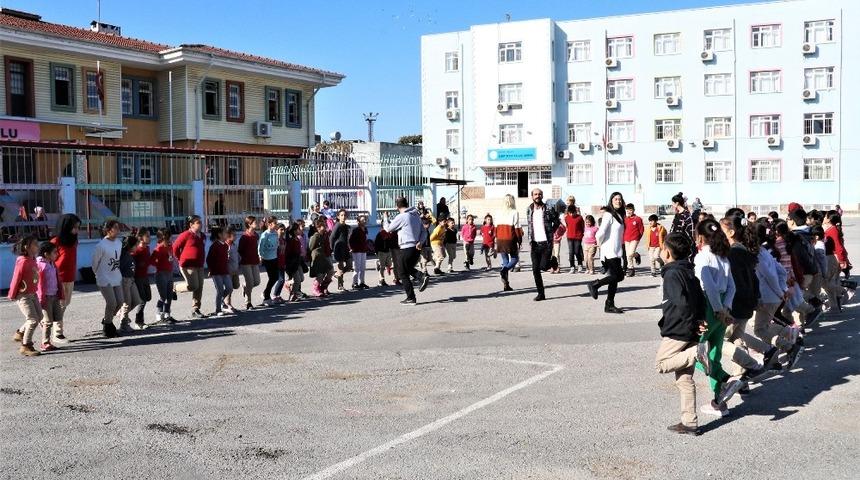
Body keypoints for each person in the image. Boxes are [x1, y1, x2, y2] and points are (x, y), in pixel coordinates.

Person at [654, 233, 706, 436]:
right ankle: (689, 421)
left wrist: (692, 322)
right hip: (690, 328)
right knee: (684, 379)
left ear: (667, 252)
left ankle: (696, 352)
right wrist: (700, 320)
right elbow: (700, 297)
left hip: (679, 329)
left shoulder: (672, 274)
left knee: (661, 364)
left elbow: (682, 303)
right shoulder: (688, 271)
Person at [693, 219, 741, 418]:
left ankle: (726, 379)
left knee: (695, 352)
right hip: (723, 306)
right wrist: (726, 308)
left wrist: (718, 309)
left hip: (708, 306)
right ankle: (719, 402)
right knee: (714, 353)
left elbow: (708, 285)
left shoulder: (702, 257)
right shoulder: (723, 257)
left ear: (701, 237)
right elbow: (732, 286)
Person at [382, 197, 430, 305]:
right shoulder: (416, 215)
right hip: (416, 247)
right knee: (406, 269)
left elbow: (388, 228)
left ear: (397, 207)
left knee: (402, 272)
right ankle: (420, 277)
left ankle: (411, 297)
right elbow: (424, 232)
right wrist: (421, 242)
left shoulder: (402, 216)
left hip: (406, 247)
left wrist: (385, 217)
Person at [588, 192, 626, 313]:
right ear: (611, 201)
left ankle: (609, 305)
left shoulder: (619, 215)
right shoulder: (608, 214)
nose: (618, 201)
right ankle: (595, 284)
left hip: (616, 251)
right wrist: (599, 244)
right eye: (616, 199)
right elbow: (600, 232)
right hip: (609, 251)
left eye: (620, 199)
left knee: (615, 278)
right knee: (618, 276)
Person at [8, 235, 43, 356]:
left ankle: (20, 332)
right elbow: (16, 278)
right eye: (35, 244)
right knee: (33, 320)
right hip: (23, 295)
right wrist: (12, 294)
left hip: (33, 294)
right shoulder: (22, 261)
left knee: (39, 316)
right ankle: (26, 346)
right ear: (26, 247)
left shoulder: (33, 259)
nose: (37, 246)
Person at [526, 188, 559, 301]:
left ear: (542, 196)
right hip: (534, 243)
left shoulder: (549, 208)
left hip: (546, 243)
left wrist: (551, 231)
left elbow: (557, 222)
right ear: (532, 196)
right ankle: (541, 293)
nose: (537, 196)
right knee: (535, 270)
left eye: (539, 194)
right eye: (535, 194)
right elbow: (529, 225)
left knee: (543, 267)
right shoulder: (529, 209)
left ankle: (553, 262)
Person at [93, 220, 124, 337]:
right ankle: (107, 327)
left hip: (116, 276)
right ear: (109, 230)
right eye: (116, 227)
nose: (118, 230)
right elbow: (94, 263)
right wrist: (98, 274)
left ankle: (107, 319)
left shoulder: (119, 243)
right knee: (111, 302)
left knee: (120, 302)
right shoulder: (101, 245)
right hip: (104, 278)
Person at [173, 215, 206, 319]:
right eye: (198, 223)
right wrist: (180, 259)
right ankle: (174, 288)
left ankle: (196, 309)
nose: (201, 224)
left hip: (199, 265)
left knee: (199, 287)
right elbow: (175, 247)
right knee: (193, 286)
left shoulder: (202, 236)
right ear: (191, 225)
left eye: (201, 222)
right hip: (188, 265)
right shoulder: (185, 235)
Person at [50, 214, 81, 322]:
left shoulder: (74, 242)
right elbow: (48, 261)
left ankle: (23, 330)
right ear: (66, 226)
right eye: (75, 227)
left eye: (78, 227)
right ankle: (58, 333)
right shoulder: (55, 242)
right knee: (60, 305)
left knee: (65, 303)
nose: (77, 230)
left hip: (70, 277)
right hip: (57, 279)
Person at [35, 241, 64, 352]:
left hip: (54, 295)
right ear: (46, 254)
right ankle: (45, 343)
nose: (57, 254)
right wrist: (40, 298)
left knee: (57, 318)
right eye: (54, 252)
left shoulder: (52, 264)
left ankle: (43, 325)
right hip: (45, 297)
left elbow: (57, 279)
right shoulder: (40, 265)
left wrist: (60, 293)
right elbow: (38, 284)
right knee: (48, 322)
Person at [150, 228, 177, 323]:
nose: (170, 238)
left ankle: (167, 314)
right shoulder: (159, 248)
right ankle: (159, 314)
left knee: (169, 296)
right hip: (161, 274)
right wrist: (159, 263)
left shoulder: (170, 246)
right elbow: (152, 261)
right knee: (163, 296)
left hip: (169, 273)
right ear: (163, 237)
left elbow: (171, 258)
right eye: (168, 236)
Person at [496, 195, 521, 292]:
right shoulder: (514, 212)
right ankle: (504, 271)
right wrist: (519, 240)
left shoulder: (498, 212)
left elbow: (495, 227)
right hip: (510, 238)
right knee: (515, 258)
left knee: (505, 261)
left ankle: (506, 285)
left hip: (500, 238)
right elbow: (517, 228)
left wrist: (496, 238)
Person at [118, 235, 142, 333]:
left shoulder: (129, 254)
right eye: (136, 245)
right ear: (130, 245)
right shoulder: (123, 254)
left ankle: (121, 313)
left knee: (136, 300)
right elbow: (118, 268)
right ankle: (123, 324)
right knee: (126, 303)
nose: (137, 247)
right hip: (124, 280)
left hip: (131, 279)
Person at [206, 226, 232, 316]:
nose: (227, 235)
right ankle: (218, 309)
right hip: (216, 272)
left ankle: (221, 300)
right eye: (225, 233)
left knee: (229, 287)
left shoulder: (225, 245)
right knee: (220, 290)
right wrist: (210, 269)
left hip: (225, 271)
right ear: (220, 235)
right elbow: (209, 259)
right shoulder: (214, 246)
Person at [238, 216, 261, 310]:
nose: (257, 223)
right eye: (255, 222)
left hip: (255, 261)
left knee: (256, 281)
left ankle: (245, 285)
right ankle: (248, 303)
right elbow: (240, 250)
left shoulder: (256, 235)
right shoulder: (244, 237)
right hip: (246, 262)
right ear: (249, 224)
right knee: (250, 283)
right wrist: (246, 256)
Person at [131, 228, 153, 328]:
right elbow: (131, 264)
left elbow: (149, 261)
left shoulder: (147, 249)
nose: (149, 238)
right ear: (140, 238)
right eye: (147, 236)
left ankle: (124, 311)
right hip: (138, 278)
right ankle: (139, 322)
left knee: (148, 297)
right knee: (142, 299)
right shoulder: (136, 251)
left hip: (145, 276)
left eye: (149, 235)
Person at [309, 217, 335, 297]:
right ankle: (315, 289)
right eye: (323, 226)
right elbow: (310, 247)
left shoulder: (325, 235)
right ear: (318, 228)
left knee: (330, 271)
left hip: (324, 257)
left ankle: (323, 287)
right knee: (320, 275)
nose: (325, 227)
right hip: (317, 258)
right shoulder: (315, 236)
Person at [258, 216, 280, 305]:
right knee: (272, 278)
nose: (276, 225)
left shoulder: (275, 233)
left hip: (274, 257)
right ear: (269, 224)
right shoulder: (265, 234)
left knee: (276, 277)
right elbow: (260, 247)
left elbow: (276, 244)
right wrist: (260, 257)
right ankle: (266, 297)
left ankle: (265, 293)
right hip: (267, 259)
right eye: (275, 223)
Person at [331, 209, 352, 291]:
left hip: (345, 248)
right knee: (340, 266)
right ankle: (340, 286)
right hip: (338, 248)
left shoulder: (346, 226)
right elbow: (332, 237)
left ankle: (336, 274)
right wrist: (332, 248)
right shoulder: (337, 225)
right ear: (338, 216)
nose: (343, 217)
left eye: (345, 215)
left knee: (349, 265)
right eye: (342, 215)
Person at [623, 203, 645, 276]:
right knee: (627, 255)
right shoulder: (625, 219)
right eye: (627, 210)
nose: (629, 212)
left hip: (634, 239)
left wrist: (638, 238)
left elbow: (641, 230)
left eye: (630, 210)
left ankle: (636, 255)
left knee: (630, 253)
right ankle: (631, 269)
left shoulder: (638, 219)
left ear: (633, 210)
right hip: (626, 239)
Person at [349, 214, 370, 290]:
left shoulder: (365, 229)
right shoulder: (355, 230)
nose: (364, 221)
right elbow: (350, 240)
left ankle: (361, 282)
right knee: (357, 267)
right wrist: (351, 248)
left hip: (363, 250)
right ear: (358, 222)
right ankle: (354, 283)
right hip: (357, 250)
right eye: (362, 220)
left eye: (365, 220)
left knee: (363, 267)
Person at [285, 222, 305, 300]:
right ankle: (293, 295)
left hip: (298, 262)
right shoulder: (291, 240)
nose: (299, 230)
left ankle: (288, 283)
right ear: (294, 231)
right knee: (297, 280)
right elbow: (288, 253)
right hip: (292, 263)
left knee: (301, 279)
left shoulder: (297, 238)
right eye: (298, 229)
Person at [563, 205, 585, 274]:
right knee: (571, 252)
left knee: (577, 251)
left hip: (578, 237)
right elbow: (567, 226)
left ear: (576, 211)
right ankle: (572, 267)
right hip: (570, 237)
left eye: (573, 213)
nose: (572, 214)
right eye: (570, 213)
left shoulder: (580, 218)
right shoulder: (566, 218)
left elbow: (582, 227)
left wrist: (582, 235)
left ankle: (580, 264)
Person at [272, 223, 289, 303]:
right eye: (281, 229)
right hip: (276, 262)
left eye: (284, 229)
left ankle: (278, 295)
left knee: (282, 279)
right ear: (276, 230)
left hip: (282, 262)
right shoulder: (275, 240)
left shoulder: (284, 240)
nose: (283, 231)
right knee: (281, 280)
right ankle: (274, 295)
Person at [224, 228, 240, 313]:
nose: (236, 236)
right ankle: (227, 304)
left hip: (235, 269)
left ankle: (224, 300)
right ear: (228, 236)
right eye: (234, 235)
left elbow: (237, 256)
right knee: (229, 288)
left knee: (236, 286)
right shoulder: (225, 246)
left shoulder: (234, 245)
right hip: (228, 271)